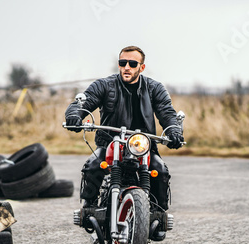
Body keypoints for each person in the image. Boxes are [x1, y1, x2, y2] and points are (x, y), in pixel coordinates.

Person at [64, 45, 184, 220]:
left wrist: (174, 130)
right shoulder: (104, 85)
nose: (127, 67)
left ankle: (158, 215)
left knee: (160, 171)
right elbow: (84, 102)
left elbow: (167, 112)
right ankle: (88, 209)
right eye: (123, 62)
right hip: (110, 143)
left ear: (141, 67)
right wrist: (74, 115)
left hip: (143, 146)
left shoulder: (155, 88)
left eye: (132, 63)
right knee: (93, 166)